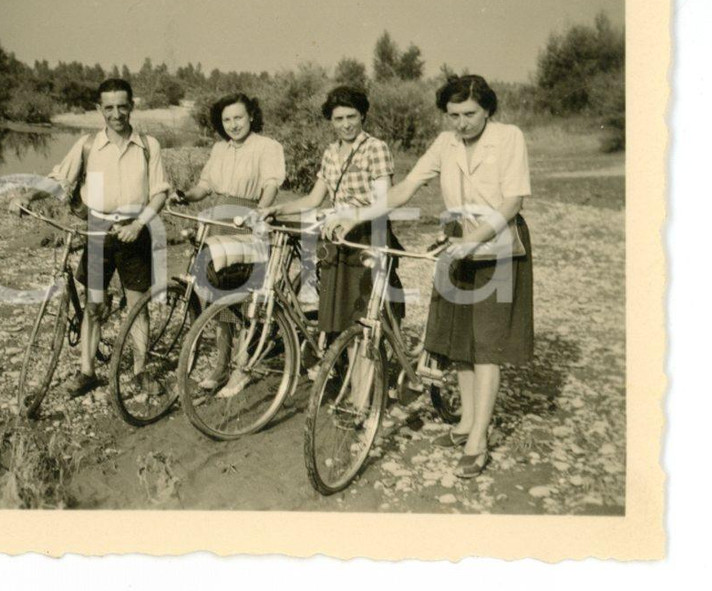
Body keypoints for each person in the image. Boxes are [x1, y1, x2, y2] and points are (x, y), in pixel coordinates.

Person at [326, 75, 534, 478]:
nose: (462, 123)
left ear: (487, 109)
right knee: (461, 341)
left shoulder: (509, 137)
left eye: (470, 114)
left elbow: (512, 202)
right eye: (453, 115)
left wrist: (472, 239)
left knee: (487, 343)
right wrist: (356, 214)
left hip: (498, 240)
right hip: (459, 238)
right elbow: (405, 187)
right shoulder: (446, 144)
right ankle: (467, 422)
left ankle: (480, 439)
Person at [10, 78, 170, 397]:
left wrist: (139, 224)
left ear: (132, 106)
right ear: (99, 109)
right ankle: (87, 372)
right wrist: (28, 198)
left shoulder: (149, 146)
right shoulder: (87, 145)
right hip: (98, 233)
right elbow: (59, 180)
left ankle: (139, 371)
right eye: (108, 107)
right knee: (94, 305)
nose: (116, 114)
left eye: (122, 106)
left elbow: (159, 193)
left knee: (138, 305)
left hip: (135, 233)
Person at [262, 84, 403, 346]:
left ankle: (368, 377)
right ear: (331, 121)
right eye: (339, 119)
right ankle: (341, 369)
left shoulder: (376, 148)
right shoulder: (330, 153)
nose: (346, 124)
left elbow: (385, 201)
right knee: (336, 310)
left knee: (362, 313)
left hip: (366, 234)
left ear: (362, 116)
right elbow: (314, 199)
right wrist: (277, 209)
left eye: (352, 117)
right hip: (335, 237)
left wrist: (351, 216)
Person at [172, 93, 285, 393]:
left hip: (246, 220)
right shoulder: (219, 149)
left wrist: (260, 214)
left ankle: (242, 365)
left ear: (251, 116)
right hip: (218, 221)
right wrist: (184, 195)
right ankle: (222, 364)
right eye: (226, 120)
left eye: (238, 117)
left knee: (242, 295)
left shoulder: (267, 146)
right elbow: (205, 186)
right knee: (217, 295)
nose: (233, 124)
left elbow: (271, 183)